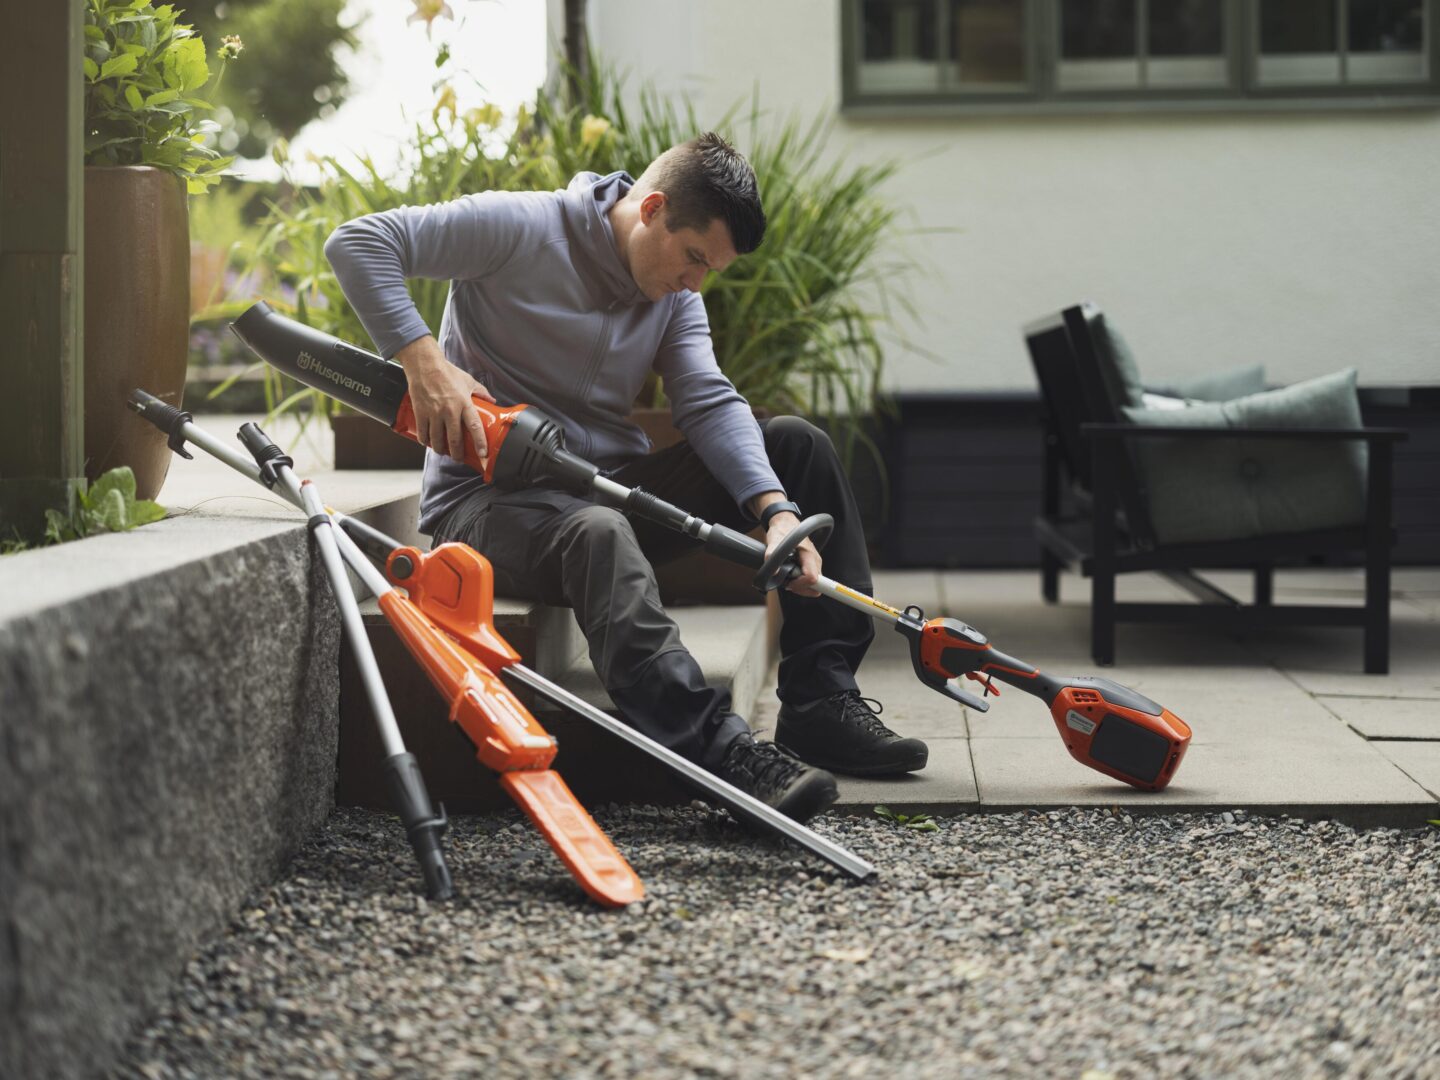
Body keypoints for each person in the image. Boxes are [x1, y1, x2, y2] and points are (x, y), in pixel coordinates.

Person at [325, 132, 928, 823]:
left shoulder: (673, 296)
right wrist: (423, 363)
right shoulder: (521, 227)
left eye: (711, 269)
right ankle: (717, 753)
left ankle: (820, 701)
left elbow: (706, 399)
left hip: (602, 487)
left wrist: (776, 511)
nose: (696, 283)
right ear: (652, 208)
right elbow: (359, 242)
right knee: (599, 531)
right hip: (488, 504)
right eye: (694, 257)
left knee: (796, 446)